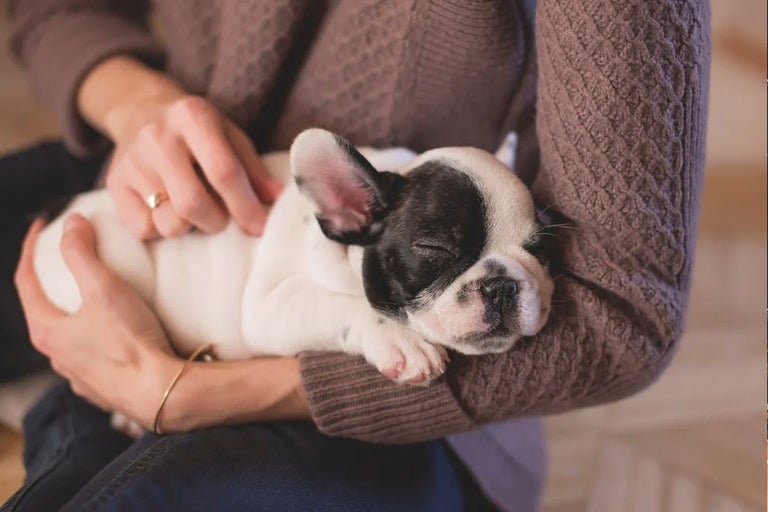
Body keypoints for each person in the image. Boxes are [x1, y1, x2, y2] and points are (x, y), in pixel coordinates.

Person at [1, 0, 710, 510]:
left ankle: (73, 425)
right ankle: (79, 420)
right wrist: (137, 106)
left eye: (530, 254)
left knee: (145, 494)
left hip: (392, 411)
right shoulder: (363, 205)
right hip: (149, 198)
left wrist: (188, 397)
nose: (499, 284)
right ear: (346, 210)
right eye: (444, 255)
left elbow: (624, 313)